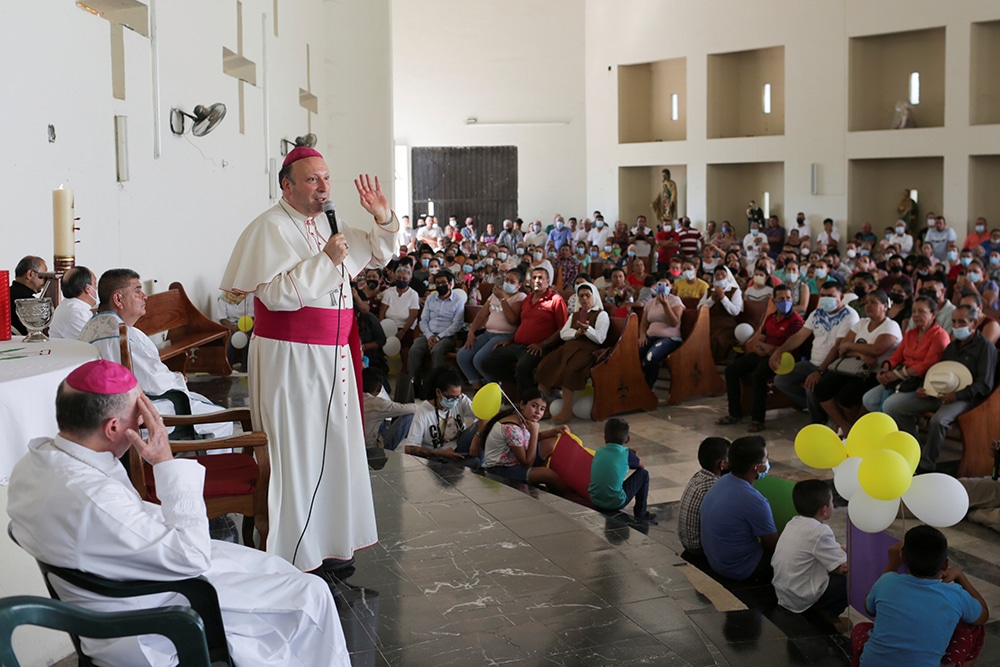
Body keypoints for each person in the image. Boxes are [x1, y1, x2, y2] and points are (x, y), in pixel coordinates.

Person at [7, 360, 349, 667]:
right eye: (138, 411)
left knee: (276, 571)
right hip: (146, 621)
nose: (146, 419)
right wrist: (165, 463)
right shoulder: (93, 499)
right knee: (311, 597)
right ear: (113, 428)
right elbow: (192, 556)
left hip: (122, 582)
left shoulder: (34, 463)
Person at [218, 146, 399, 572]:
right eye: (312, 179)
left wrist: (383, 217)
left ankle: (333, 543)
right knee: (296, 451)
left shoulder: (329, 224)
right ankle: (299, 552)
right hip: (291, 356)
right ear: (287, 184)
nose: (323, 187)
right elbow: (278, 297)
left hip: (333, 354)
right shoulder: (269, 229)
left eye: (327, 178)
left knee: (335, 447)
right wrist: (327, 261)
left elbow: (381, 250)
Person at [78, 269, 232, 438]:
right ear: (118, 299)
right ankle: (209, 463)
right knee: (222, 420)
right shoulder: (122, 335)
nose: (144, 296)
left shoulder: (92, 326)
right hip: (139, 413)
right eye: (137, 291)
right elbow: (155, 382)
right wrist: (177, 378)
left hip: (106, 410)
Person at [882, 305, 997, 473]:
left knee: (939, 420)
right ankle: (915, 450)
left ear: (974, 323)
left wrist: (956, 396)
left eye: (962, 322)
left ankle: (926, 464)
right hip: (938, 393)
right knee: (893, 406)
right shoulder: (952, 347)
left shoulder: (985, 348)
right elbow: (938, 372)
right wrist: (925, 387)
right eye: (954, 322)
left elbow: (984, 385)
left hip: (966, 398)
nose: (956, 326)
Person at [853, 526, 988, 667]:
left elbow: (869, 608)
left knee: (861, 629)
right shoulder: (955, 594)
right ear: (946, 564)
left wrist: (893, 563)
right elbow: (983, 616)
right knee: (975, 627)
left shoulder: (887, 581)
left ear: (903, 556)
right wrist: (960, 576)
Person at [770, 281, 860, 425]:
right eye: (822, 295)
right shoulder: (817, 313)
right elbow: (800, 335)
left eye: (830, 296)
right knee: (781, 380)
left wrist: (820, 371)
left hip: (833, 366)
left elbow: (838, 347)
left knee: (812, 387)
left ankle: (818, 423)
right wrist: (779, 350)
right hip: (812, 362)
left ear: (841, 297)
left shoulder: (849, 315)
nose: (825, 299)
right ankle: (817, 408)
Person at [813, 290, 901, 435]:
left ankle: (855, 429)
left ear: (885, 306)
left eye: (873, 302)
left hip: (875, 373)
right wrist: (861, 354)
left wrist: (851, 346)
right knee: (822, 387)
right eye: (867, 302)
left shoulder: (890, 326)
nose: (868, 306)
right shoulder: (861, 323)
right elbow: (842, 348)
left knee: (846, 396)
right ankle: (844, 424)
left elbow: (877, 349)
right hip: (853, 368)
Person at [719, 284, 804, 432]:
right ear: (774, 300)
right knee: (732, 370)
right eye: (781, 298)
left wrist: (769, 350)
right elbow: (760, 341)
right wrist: (765, 349)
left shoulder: (795, 320)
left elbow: (790, 347)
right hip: (764, 353)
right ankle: (735, 413)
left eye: (788, 298)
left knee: (758, 375)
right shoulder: (771, 317)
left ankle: (757, 419)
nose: (785, 301)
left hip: (784, 359)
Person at [699, 436, 778, 582]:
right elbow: (773, 544)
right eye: (766, 459)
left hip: (716, 562)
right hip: (740, 568)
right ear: (757, 467)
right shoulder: (754, 500)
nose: (767, 463)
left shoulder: (721, 482)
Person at [481, 267, 568, 396]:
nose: (537, 281)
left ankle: (527, 400)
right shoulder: (527, 299)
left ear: (548, 281)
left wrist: (543, 344)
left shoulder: (555, 300)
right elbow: (523, 324)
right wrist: (509, 340)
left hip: (538, 347)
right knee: (487, 362)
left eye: (540, 278)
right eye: (534, 278)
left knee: (522, 367)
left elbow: (564, 328)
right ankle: (527, 389)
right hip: (517, 344)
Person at [771, 480, 848, 622]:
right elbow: (843, 566)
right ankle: (827, 616)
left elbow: (826, 549)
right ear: (824, 510)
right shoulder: (820, 531)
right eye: (831, 502)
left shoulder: (794, 522)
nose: (833, 505)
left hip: (785, 594)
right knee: (849, 580)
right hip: (801, 598)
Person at [535, 282, 609, 423]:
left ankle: (566, 410)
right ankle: (541, 408)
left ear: (594, 296)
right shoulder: (575, 315)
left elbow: (600, 338)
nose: (584, 299)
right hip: (569, 347)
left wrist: (587, 329)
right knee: (545, 365)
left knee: (570, 371)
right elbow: (563, 333)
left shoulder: (601, 314)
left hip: (588, 349)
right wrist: (576, 333)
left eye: (587, 295)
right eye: (581, 296)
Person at [476, 388, 568, 491]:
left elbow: (528, 438)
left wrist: (555, 431)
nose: (538, 412)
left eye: (542, 409)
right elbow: (527, 463)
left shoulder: (520, 415)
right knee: (549, 475)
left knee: (552, 442)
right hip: (501, 470)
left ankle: (542, 483)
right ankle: (568, 497)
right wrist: (533, 432)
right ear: (522, 405)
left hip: (516, 460)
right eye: (534, 406)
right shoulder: (511, 428)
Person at [458, 268, 525, 389]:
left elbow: (512, 320)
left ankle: (494, 389)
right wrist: (471, 332)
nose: (508, 283)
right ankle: (477, 387)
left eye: (512, 281)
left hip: (505, 335)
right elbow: (481, 314)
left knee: (479, 360)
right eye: (507, 280)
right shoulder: (496, 294)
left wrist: (502, 299)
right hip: (488, 333)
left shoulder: (520, 297)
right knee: (462, 356)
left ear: (519, 285)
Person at [401, 366, 479, 462]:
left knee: (482, 427)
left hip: (458, 449)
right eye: (450, 397)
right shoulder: (423, 411)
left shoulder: (461, 400)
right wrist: (438, 453)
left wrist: (477, 437)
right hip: (435, 458)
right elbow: (409, 448)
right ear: (438, 392)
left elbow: (484, 417)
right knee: (474, 463)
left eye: (457, 397)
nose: (455, 401)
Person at [408, 269, 466, 398]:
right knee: (415, 350)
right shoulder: (431, 299)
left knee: (437, 350)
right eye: (438, 283)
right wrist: (430, 336)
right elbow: (424, 321)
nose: (440, 286)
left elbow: (456, 325)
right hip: (429, 334)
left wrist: (438, 337)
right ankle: (414, 388)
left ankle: (435, 388)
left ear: (450, 284)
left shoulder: (458, 301)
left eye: (443, 283)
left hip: (447, 336)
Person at [588, 417, 656, 523]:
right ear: (627, 439)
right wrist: (634, 457)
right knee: (644, 474)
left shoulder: (599, 451)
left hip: (595, 500)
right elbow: (642, 466)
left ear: (605, 438)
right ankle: (641, 514)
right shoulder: (626, 454)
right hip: (615, 502)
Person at [677, 437, 730, 555]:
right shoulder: (714, 486)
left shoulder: (699, 476)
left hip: (687, 543)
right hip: (698, 548)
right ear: (722, 464)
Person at [638, 276, 684, 388]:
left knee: (651, 357)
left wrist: (665, 304)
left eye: (666, 285)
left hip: (670, 339)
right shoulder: (650, 302)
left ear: (671, 287)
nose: (663, 287)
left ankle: (648, 387)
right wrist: (642, 335)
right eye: (660, 285)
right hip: (650, 337)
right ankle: (635, 385)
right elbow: (644, 323)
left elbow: (674, 322)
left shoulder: (675, 300)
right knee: (631, 354)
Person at [698, 266, 744, 364]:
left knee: (718, 339)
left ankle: (715, 363)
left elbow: (735, 311)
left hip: (727, 326)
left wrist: (723, 297)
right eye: (717, 275)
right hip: (710, 324)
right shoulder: (709, 290)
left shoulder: (735, 291)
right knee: (701, 337)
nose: (720, 277)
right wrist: (712, 299)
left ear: (728, 276)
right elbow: (700, 308)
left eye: (723, 274)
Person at [362, 368, 416, 450]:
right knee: (410, 416)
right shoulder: (378, 403)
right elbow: (412, 409)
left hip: (356, 444)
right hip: (372, 448)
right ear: (379, 388)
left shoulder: (351, 398)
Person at [49, 265, 97, 341]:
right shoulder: (76, 313)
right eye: (95, 284)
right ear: (88, 289)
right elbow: (96, 342)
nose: (96, 288)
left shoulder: (71, 306)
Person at [9, 255, 47, 336]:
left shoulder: (5, 293)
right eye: (42, 277)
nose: (44, 282)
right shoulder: (28, 302)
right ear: (30, 274)